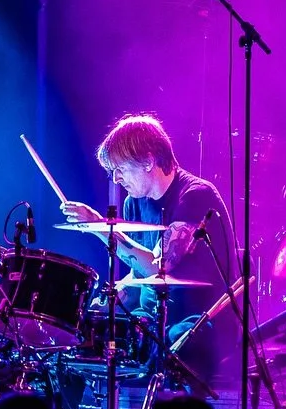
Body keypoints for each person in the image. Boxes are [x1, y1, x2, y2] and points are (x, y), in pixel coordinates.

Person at [61, 114, 238, 384]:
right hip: (153, 318)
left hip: (199, 322)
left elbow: (159, 266)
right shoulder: (135, 202)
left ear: (147, 160)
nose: (116, 178)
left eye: (120, 169)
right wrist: (116, 295)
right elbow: (141, 272)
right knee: (84, 338)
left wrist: (100, 227)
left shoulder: (194, 196)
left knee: (172, 340)